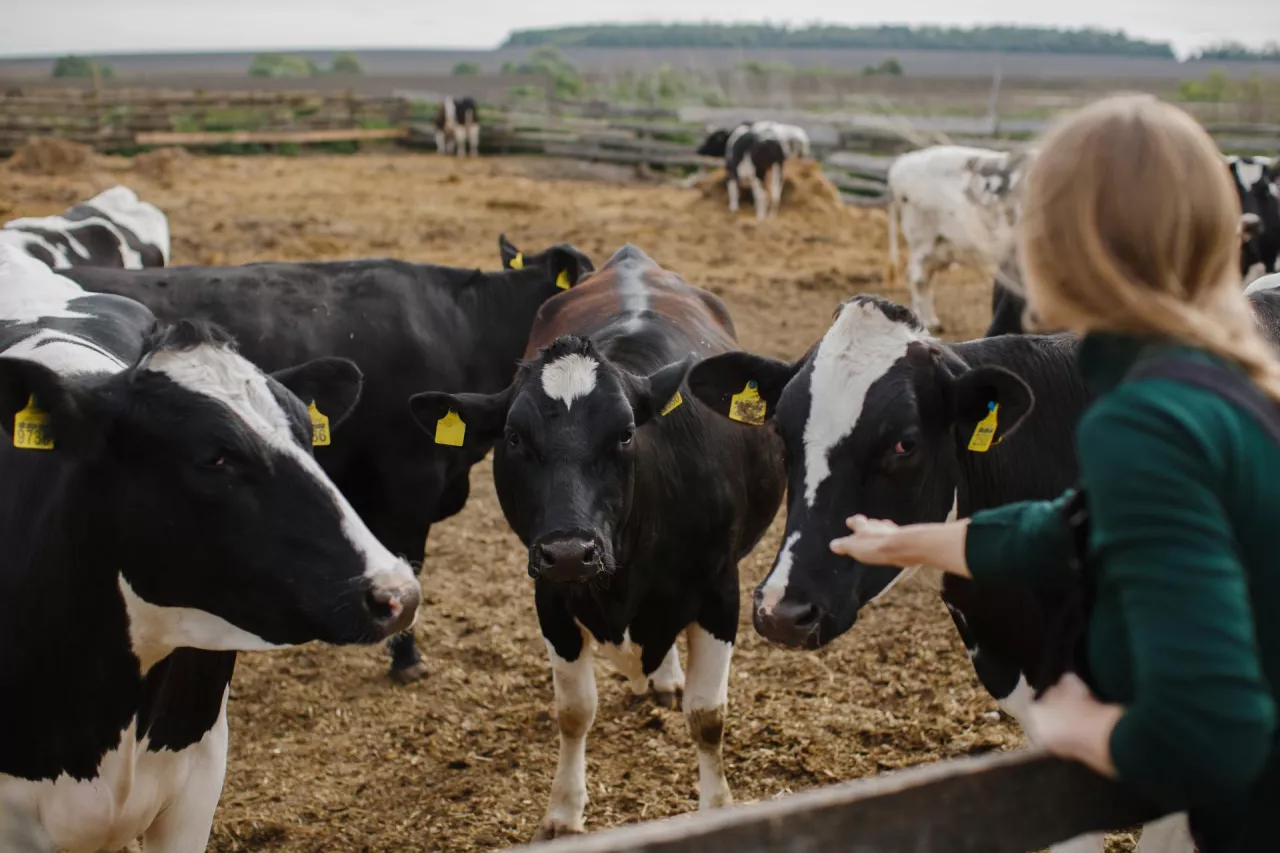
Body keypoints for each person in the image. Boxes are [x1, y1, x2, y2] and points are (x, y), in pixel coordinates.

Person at [829, 94, 1278, 851]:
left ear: (1055, 248)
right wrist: (911, 542)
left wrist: (1080, 728)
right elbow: (1078, 525)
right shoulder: (1228, 379)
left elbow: (1211, 731)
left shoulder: (1144, 419)